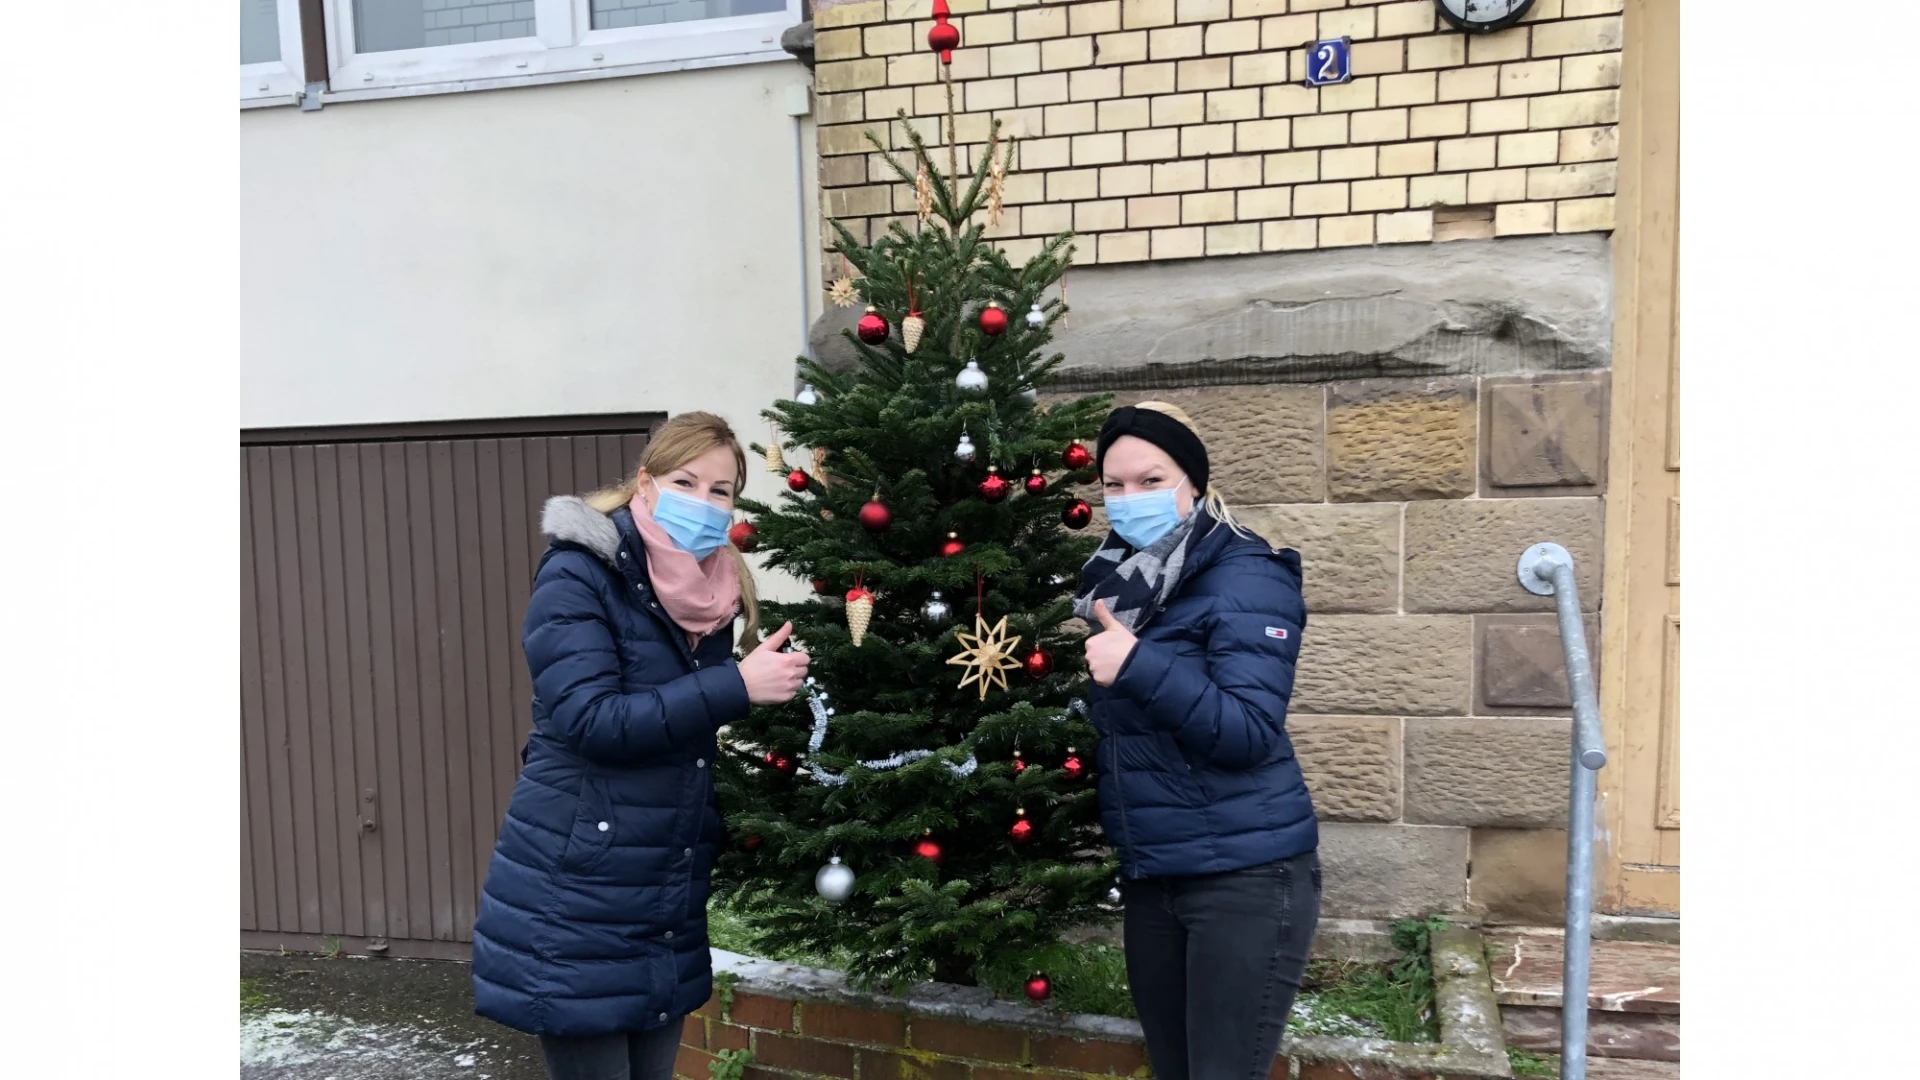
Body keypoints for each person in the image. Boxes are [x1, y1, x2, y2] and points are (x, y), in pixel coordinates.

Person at [471, 412, 810, 1080]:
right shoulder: (579, 573)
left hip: (661, 886)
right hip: (578, 886)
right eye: (687, 480)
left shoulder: (711, 590)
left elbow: (680, 729)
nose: (705, 502)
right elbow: (592, 719)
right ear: (646, 483)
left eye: (722, 490)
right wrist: (735, 687)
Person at [1075, 402, 1321, 1080]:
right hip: (1156, 874)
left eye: (1150, 481)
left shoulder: (1249, 575)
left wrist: (1137, 664)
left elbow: (1246, 730)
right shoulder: (1123, 587)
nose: (1129, 500)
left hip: (1245, 878)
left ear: (1195, 483)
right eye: (1114, 486)